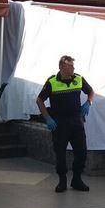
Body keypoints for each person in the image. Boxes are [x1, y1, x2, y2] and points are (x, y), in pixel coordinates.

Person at [36, 55, 95, 193]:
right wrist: (47, 118)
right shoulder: (52, 82)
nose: (73, 68)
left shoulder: (79, 79)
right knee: (60, 153)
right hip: (59, 123)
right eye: (70, 66)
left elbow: (91, 92)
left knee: (81, 152)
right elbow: (39, 100)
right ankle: (62, 181)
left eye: (73, 66)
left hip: (76, 122)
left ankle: (77, 179)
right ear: (62, 67)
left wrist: (88, 102)